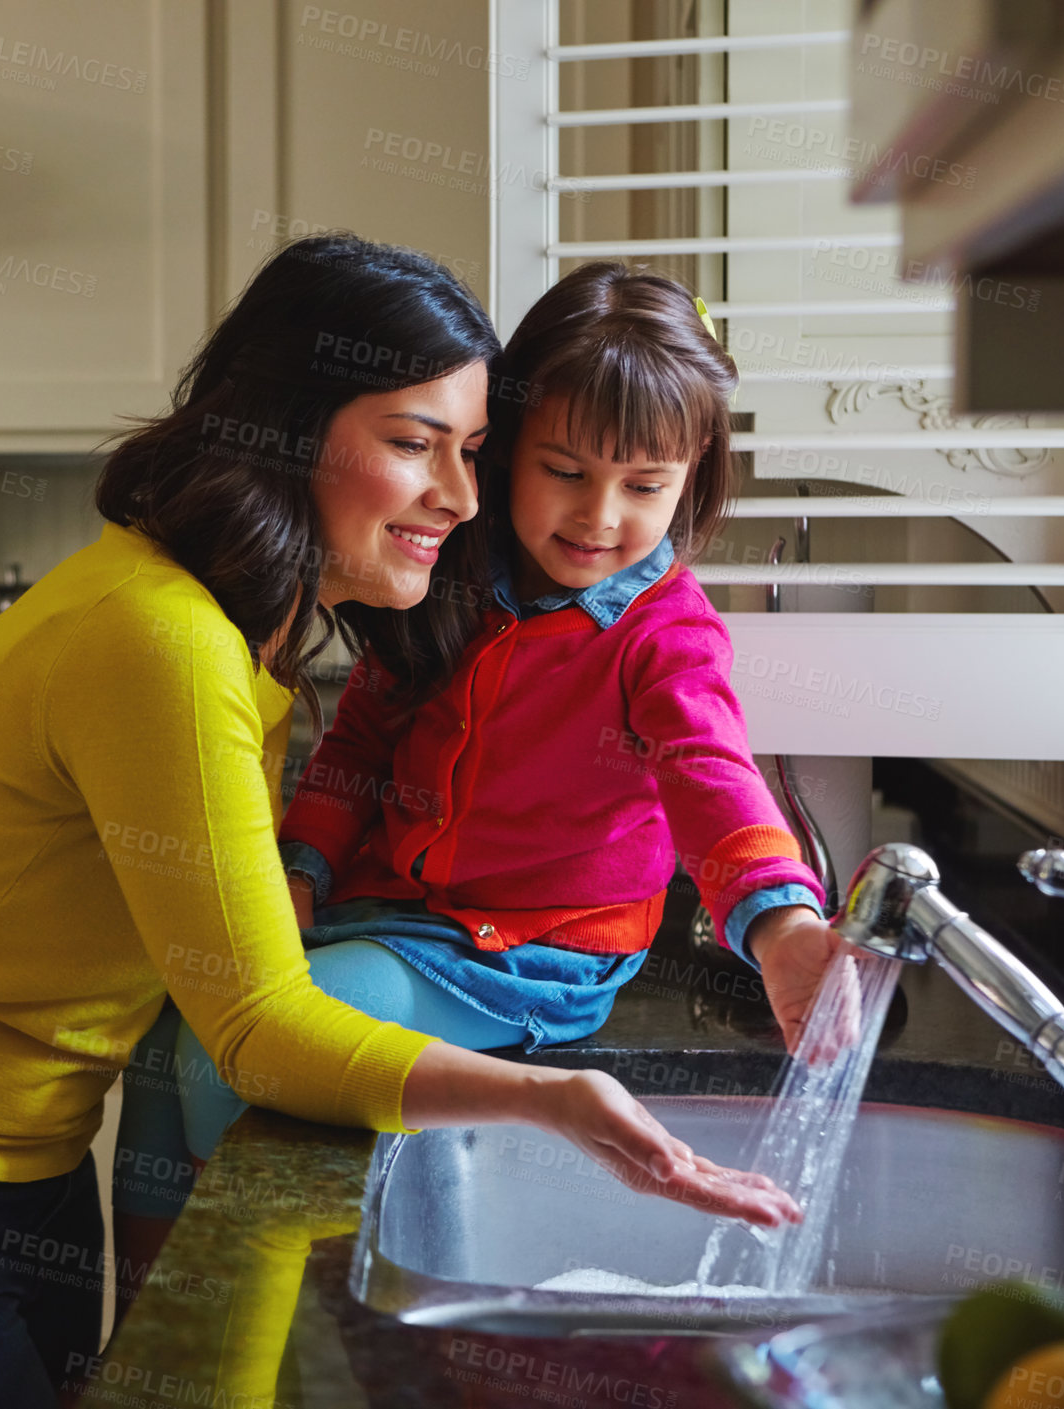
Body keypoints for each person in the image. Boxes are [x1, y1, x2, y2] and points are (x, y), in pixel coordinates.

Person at [0, 237, 798, 1409]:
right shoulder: (166, 640)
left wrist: (779, 917)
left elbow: (708, 767)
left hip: (17, 1172)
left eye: (473, 451)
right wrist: (550, 1099)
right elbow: (263, 1029)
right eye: (414, 444)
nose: (463, 497)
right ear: (284, 427)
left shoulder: (224, 621)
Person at [169, 260, 859, 1166]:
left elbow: (712, 772)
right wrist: (304, 865)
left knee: (214, 1053)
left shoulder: (667, 635)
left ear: (691, 478)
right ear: (506, 444)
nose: (599, 516)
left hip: (527, 954)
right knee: (169, 1041)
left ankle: (232, 1299)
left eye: (645, 486)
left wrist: (782, 926)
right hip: (385, 910)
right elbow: (364, 735)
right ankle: (162, 1303)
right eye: (564, 470)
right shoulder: (448, 570)